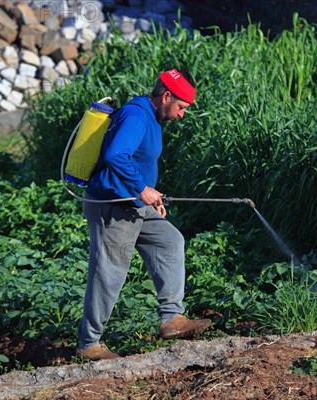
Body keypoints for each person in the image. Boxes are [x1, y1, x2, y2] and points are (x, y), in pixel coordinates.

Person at [76, 69, 213, 361]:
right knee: (110, 272)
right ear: (166, 96)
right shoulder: (137, 115)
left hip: (134, 203)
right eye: (181, 108)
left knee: (169, 241)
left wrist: (150, 196)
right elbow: (116, 155)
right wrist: (141, 189)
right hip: (112, 205)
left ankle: (172, 319)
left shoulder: (150, 118)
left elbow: (136, 160)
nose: (182, 115)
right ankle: (89, 343)